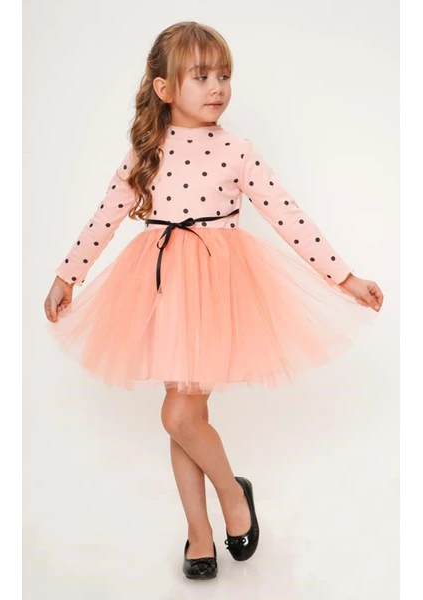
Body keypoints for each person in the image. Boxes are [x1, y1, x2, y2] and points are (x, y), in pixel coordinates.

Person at [43, 21, 384, 580]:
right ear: (164, 88)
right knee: (186, 417)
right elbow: (106, 215)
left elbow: (288, 215)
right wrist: (68, 274)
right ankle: (202, 531)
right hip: (161, 289)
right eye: (201, 76)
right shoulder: (147, 151)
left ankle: (230, 497)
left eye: (223, 75)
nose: (217, 87)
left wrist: (343, 277)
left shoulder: (237, 150)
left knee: (179, 414)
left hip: (217, 287)